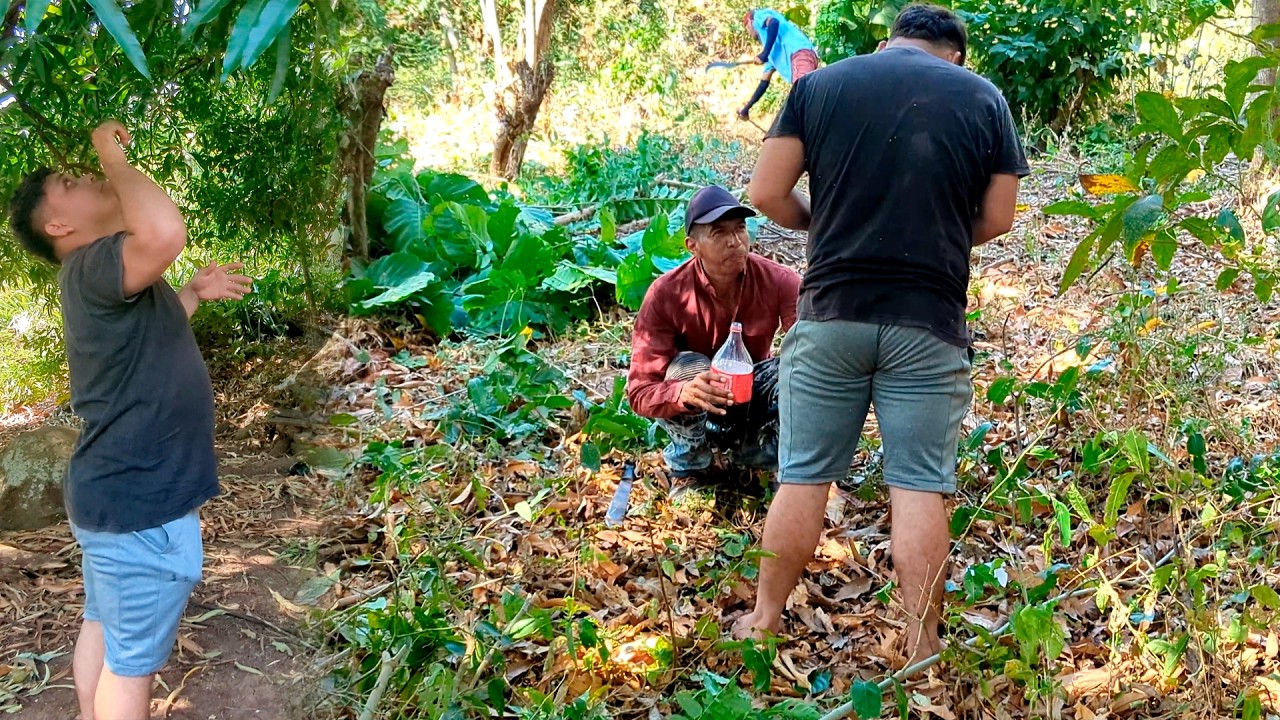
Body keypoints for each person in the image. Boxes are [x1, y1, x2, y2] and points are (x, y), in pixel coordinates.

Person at [731, 4, 1029, 665]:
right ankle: (921, 644)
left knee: (804, 477)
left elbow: (767, 192)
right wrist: (946, 235)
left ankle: (762, 620)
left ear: (887, 41)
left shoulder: (819, 86)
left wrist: (827, 224)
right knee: (920, 485)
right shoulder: (983, 98)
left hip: (833, 310)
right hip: (928, 323)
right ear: (956, 54)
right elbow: (1000, 217)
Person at [7, 120, 252, 720]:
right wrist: (110, 154)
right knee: (132, 663)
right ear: (59, 225)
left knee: (108, 630)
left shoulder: (103, 278)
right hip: (139, 501)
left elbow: (147, 349)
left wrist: (190, 295)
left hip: (119, 495)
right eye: (72, 181)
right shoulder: (95, 265)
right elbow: (166, 231)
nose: (90, 177)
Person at [627, 185, 801, 496]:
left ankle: (758, 456)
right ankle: (691, 463)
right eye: (719, 232)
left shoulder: (779, 280)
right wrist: (682, 392)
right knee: (688, 367)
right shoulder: (665, 294)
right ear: (692, 246)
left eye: (740, 229)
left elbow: (813, 347)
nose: (735, 241)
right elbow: (639, 392)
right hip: (692, 402)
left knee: (793, 367)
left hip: (748, 398)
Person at [737, 8, 820, 121]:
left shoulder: (757, 17)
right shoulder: (772, 50)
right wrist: (746, 109)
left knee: (804, 97)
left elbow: (774, 22)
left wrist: (764, 54)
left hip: (799, 54)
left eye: (747, 29)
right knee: (803, 102)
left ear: (749, 23)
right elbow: (763, 83)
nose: (750, 34)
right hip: (801, 58)